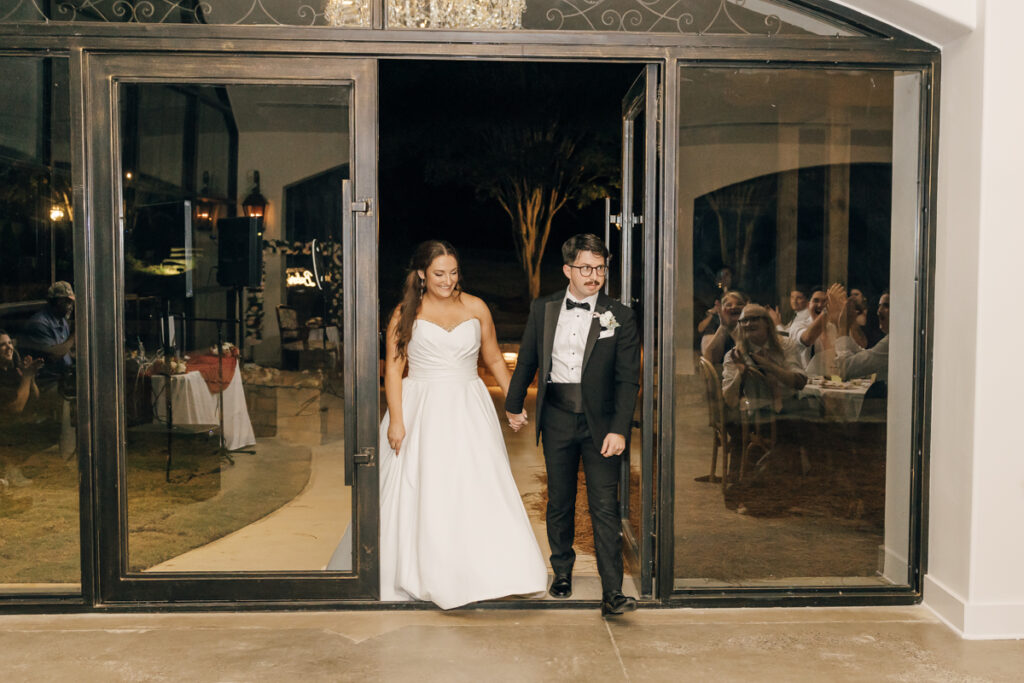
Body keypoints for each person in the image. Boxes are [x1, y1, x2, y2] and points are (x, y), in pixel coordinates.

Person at [377, 240, 547, 609]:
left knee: (476, 483)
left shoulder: (476, 307)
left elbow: (494, 360)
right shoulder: (406, 312)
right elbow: (393, 368)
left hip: (469, 407)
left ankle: (486, 571)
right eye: (439, 274)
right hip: (420, 407)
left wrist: (513, 401)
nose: (447, 280)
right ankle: (430, 573)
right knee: (428, 488)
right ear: (422, 273)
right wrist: (397, 420)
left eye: (453, 273)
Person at [504, 234, 641, 618]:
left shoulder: (621, 314)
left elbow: (628, 378)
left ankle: (612, 591)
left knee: (604, 505)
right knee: (560, 501)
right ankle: (561, 571)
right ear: (568, 269)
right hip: (559, 418)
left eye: (600, 268)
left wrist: (619, 428)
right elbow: (528, 359)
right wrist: (513, 405)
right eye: (586, 268)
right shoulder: (544, 308)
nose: (594, 275)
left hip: (602, 425)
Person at [20, 281, 76, 391]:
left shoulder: (62, 320)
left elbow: (64, 348)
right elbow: (53, 355)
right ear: (58, 302)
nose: (71, 307)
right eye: (68, 302)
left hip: (63, 378)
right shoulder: (39, 323)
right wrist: (74, 334)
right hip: (48, 383)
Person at [700, 290, 747, 365]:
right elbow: (709, 360)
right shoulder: (714, 327)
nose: (734, 307)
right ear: (722, 310)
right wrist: (723, 326)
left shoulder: (751, 327)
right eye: (728, 305)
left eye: (739, 304)